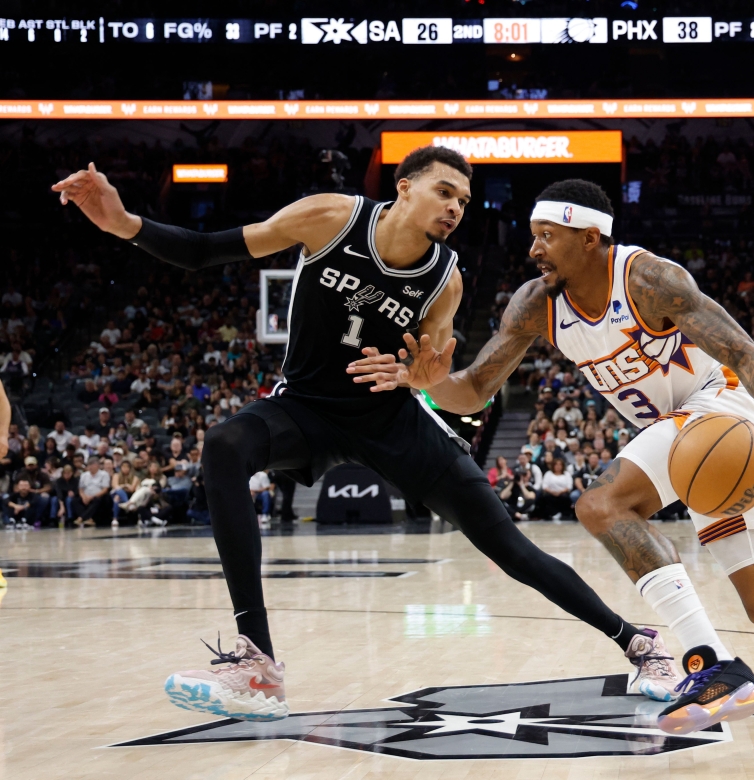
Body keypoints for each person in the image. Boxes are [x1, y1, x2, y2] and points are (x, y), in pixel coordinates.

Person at [55, 150, 675, 722]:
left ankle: (637, 641)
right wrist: (123, 223)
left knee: (508, 547)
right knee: (223, 446)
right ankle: (257, 666)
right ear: (403, 189)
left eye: (463, 200)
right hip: (304, 408)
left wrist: (423, 379)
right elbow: (203, 250)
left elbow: (438, 378)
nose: (456, 208)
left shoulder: (446, 279)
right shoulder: (328, 217)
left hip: (391, 420)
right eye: (444, 191)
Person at [354, 178, 754, 733]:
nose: (534, 249)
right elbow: (476, 389)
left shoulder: (650, 280)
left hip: (724, 412)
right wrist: (427, 380)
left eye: (548, 236)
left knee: (603, 503)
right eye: (533, 236)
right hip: (692, 445)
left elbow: (747, 353)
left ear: (590, 237)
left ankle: (712, 665)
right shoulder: (534, 304)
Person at [76, 456, 111, 527]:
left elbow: (105, 489)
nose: (90, 467)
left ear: (97, 465)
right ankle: (89, 518)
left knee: (98, 500)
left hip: (98, 496)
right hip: (86, 495)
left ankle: (82, 518)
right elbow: (81, 489)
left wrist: (92, 497)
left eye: (92, 465)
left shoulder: (104, 474)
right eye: (89, 465)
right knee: (74, 501)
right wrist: (83, 497)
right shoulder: (84, 475)